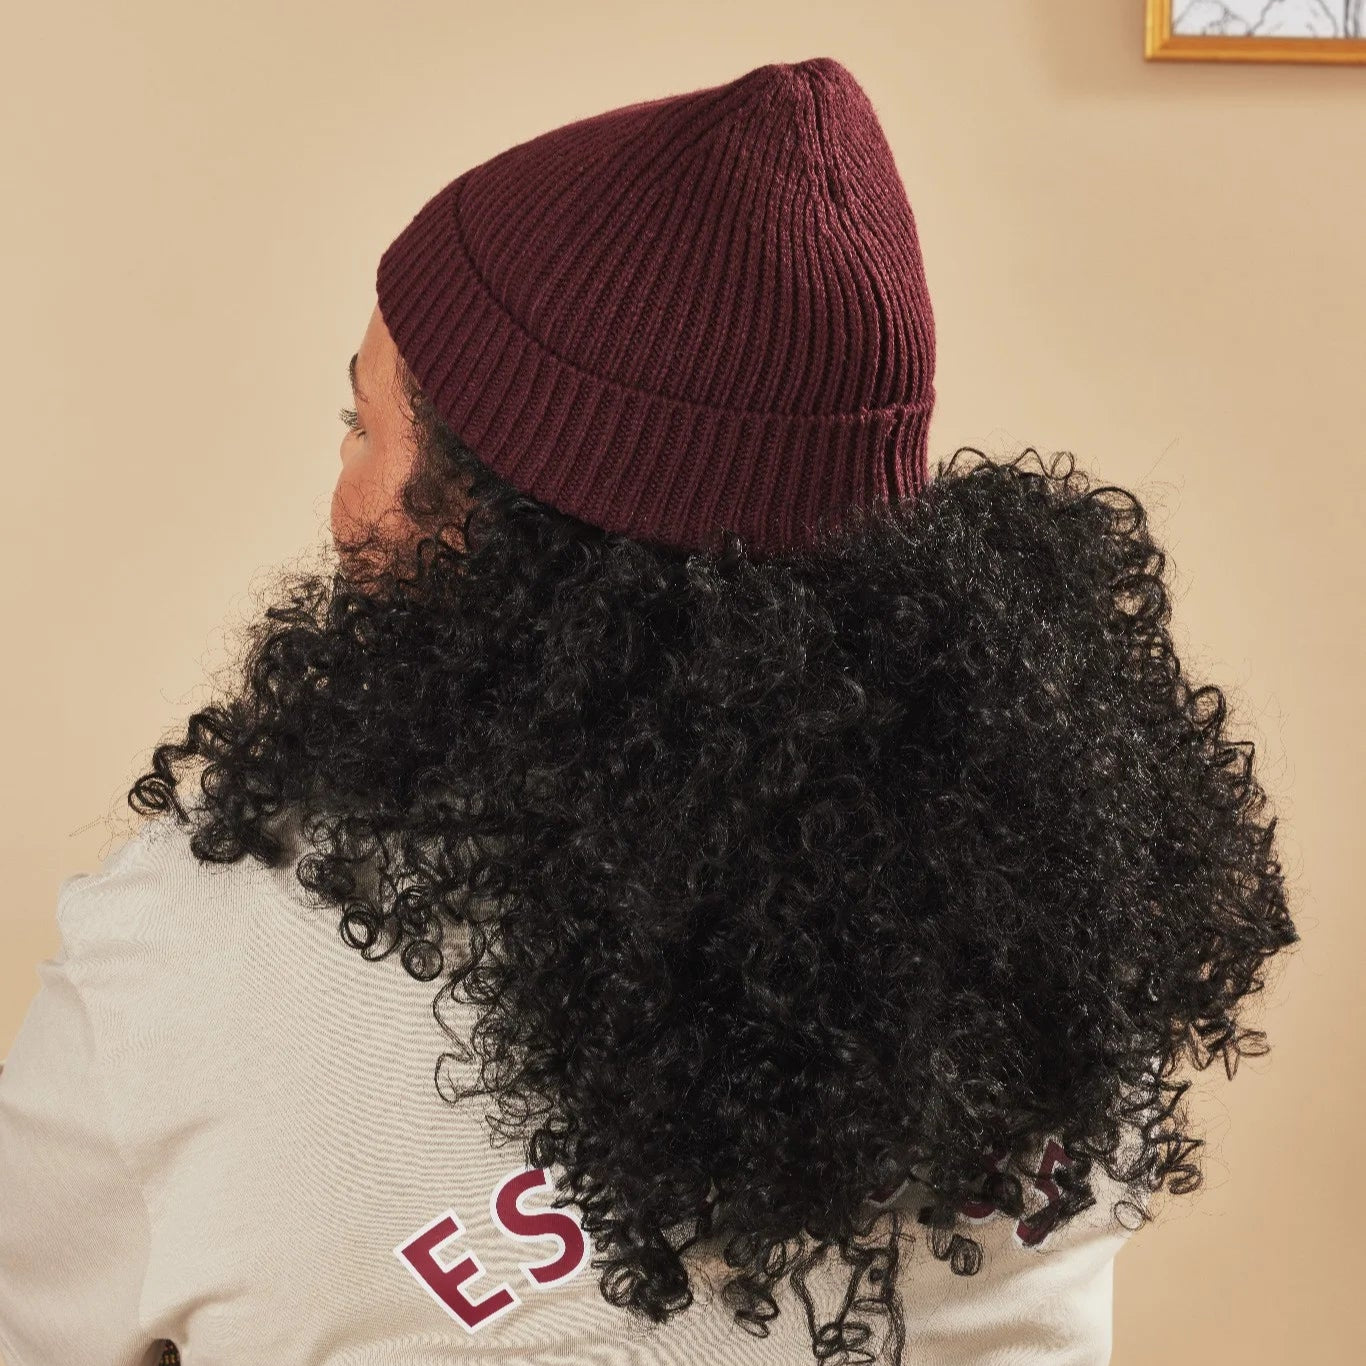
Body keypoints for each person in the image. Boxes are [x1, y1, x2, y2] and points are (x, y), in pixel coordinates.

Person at [0, 56, 1299, 1366]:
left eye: (366, 423)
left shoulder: (188, 958)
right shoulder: (1049, 922)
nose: (346, 498)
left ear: (483, 528)